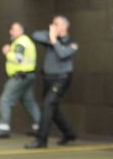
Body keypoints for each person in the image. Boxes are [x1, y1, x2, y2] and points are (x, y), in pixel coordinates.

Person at [25, 15, 79, 149]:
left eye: (56, 24)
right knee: (53, 109)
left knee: (47, 105)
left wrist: (54, 41)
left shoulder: (72, 43)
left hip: (62, 79)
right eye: (52, 24)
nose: (53, 26)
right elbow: (35, 35)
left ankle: (41, 140)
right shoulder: (50, 37)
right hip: (48, 79)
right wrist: (52, 37)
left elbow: (63, 54)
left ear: (65, 27)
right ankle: (69, 133)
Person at [0, 22, 40, 139]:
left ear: (21, 31)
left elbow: (18, 58)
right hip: (28, 76)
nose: (10, 32)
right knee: (29, 102)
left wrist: (7, 52)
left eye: (13, 29)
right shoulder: (26, 42)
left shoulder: (20, 43)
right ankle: (40, 127)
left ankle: (3, 129)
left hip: (20, 77)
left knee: (5, 101)